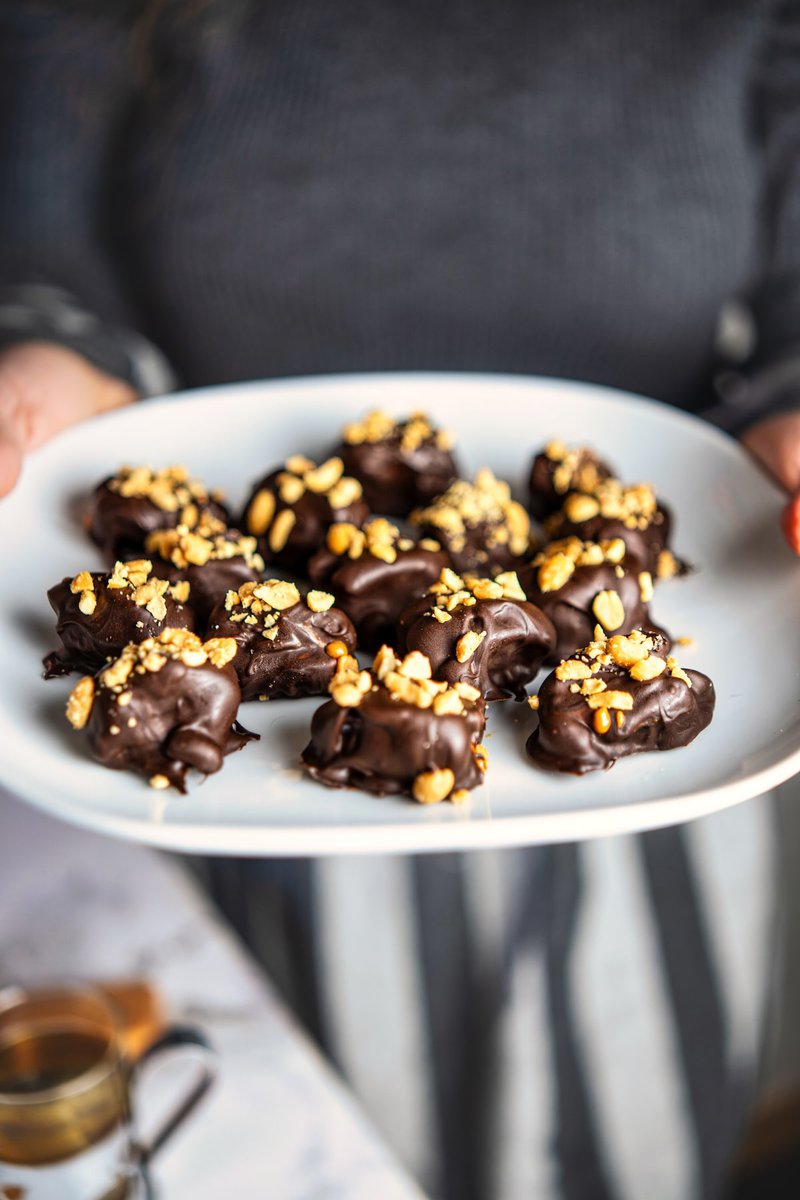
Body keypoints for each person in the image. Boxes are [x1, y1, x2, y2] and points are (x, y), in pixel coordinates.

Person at [0, 3, 794, 1197]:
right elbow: (43, 252)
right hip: (233, 846)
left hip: (660, 830)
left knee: (624, 1146)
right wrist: (47, 361)